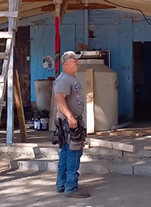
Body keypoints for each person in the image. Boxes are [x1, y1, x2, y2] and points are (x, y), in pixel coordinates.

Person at [54, 51, 89, 198]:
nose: (77, 63)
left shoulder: (70, 78)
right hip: (69, 123)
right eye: (75, 60)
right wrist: (70, 117)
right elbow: (59, 99)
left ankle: (61, 184)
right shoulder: (63, 80)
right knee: (73, 153)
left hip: (71, 121)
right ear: (66, 63)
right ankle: (71, 187)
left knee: (66, 152)